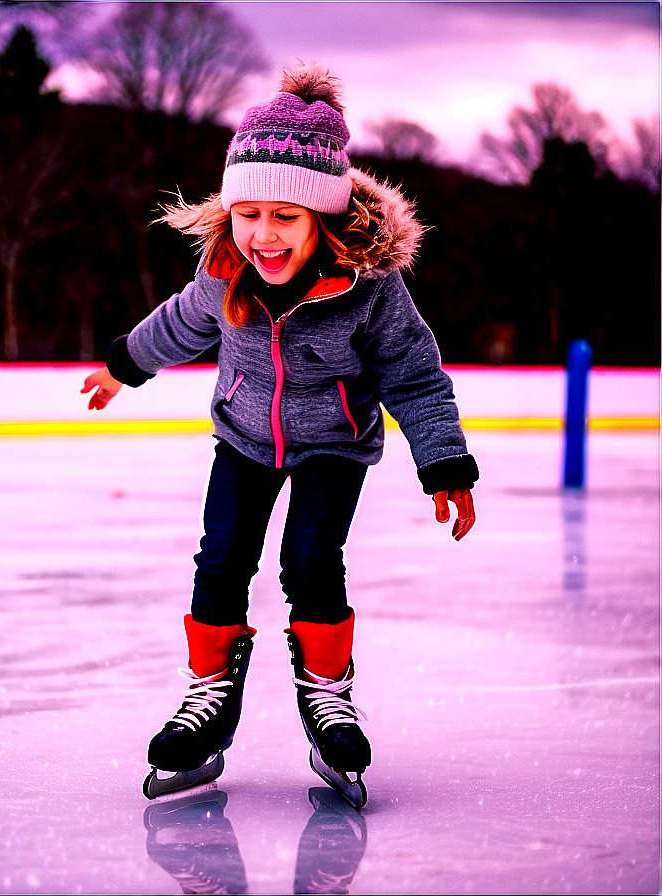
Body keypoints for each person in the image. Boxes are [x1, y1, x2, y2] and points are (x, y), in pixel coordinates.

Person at [81, 62, 477, 808]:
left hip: (336, 440)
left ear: (323, 218)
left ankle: (328, 698)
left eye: (286, 217)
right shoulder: (224, 268)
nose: (263, 235)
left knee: (309, 560)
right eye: (248, 212)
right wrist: (123, 365)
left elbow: (416, 376)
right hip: (244, 435)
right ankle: (208, 699)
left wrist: (445, 458)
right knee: (223, 557)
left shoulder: (370, 288)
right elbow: (181, 323)